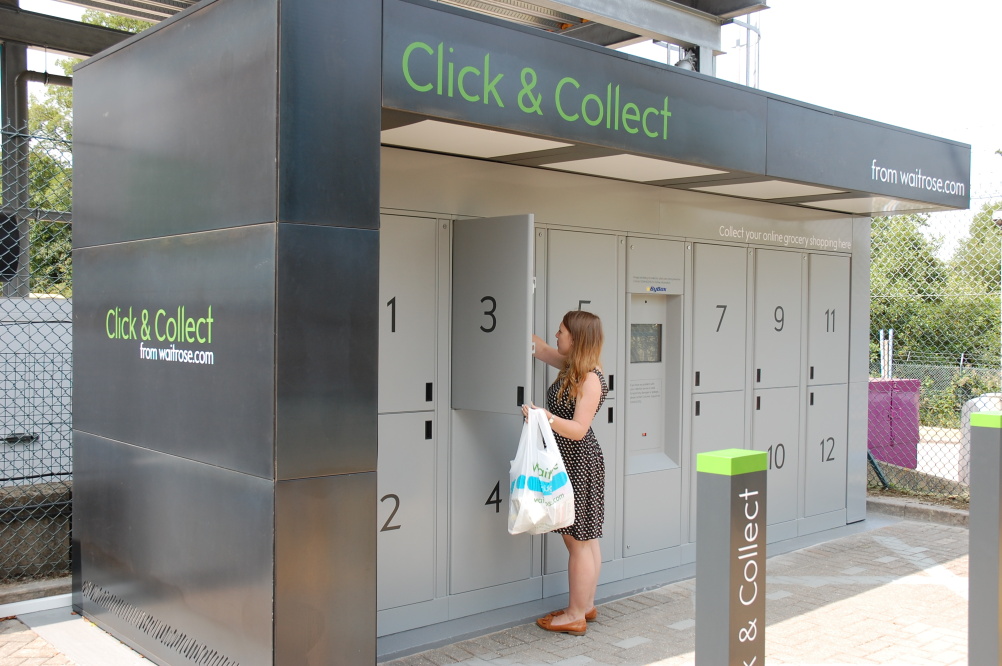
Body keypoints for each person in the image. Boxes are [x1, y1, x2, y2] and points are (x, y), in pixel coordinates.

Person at [521, 310, 608, 637]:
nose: (556, 336)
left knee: (578, 542)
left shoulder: (589, 377)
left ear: (576, 338)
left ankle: (574, 615)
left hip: (578, 463)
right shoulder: (574, 366)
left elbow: (579, 429)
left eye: (561, 332)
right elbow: (541, 349)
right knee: (586, 540)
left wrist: (544, 417)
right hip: (570, 461)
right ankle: (585, 605)